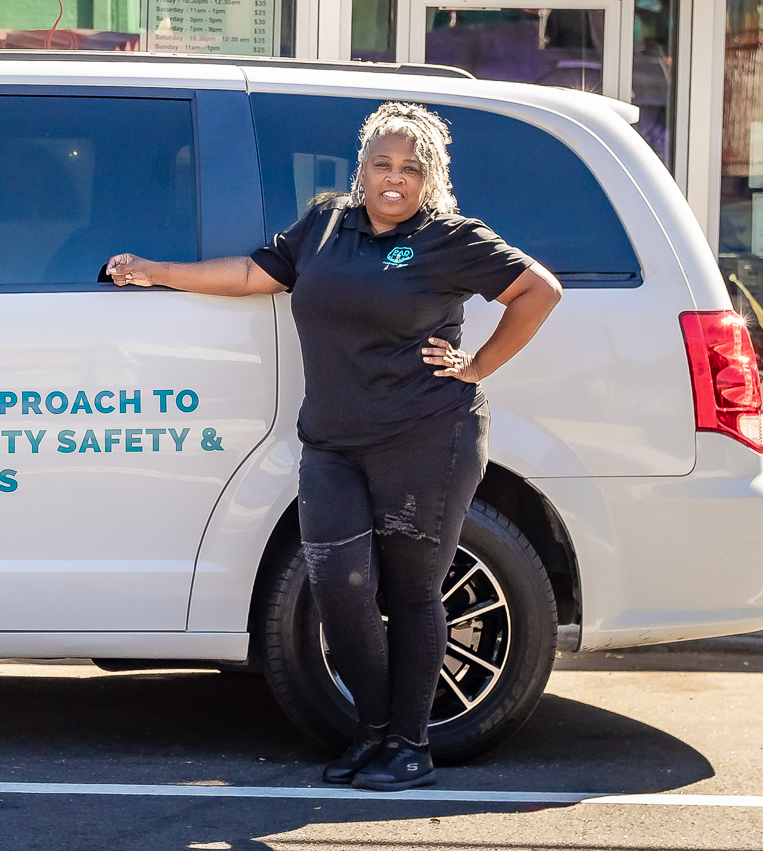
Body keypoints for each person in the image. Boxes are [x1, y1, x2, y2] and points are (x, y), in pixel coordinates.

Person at [104, 101, 561, 791]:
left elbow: (537, 290)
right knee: (338, 586)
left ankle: (410, 746)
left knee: (412, 593)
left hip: (427, 437)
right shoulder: (325, 224)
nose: (395, 179)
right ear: (363, 168)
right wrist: (156, 271)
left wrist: (478, 365)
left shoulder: (450, 238)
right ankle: (374, 732)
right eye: (383, 164)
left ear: (430, 177)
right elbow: (257, 274)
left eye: (412, 168)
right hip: (332, 443)